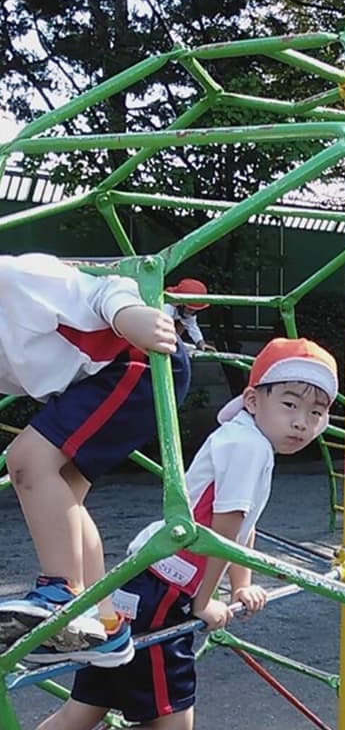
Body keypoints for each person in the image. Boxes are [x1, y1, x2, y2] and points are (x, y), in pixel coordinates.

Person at [36, 336, 338, 730]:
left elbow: (242, 524)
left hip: (143, 581)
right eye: (290, 404)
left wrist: (241, 584)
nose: (302, 422)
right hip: (164, 590)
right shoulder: (248, 447)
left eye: (316, 412)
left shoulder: (245, 437)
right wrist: (204, 601)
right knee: (172, 719)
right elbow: (225, 527)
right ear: (252, 400)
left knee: (84, 709)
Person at [0, 253, 190, 667]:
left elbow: (103, 285)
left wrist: (128, 316)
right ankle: (104, 623)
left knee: (27, 461)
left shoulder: (14, 279)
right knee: (63, 492)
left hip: (138, 360)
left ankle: (62, 594)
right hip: (95, 383)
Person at [164, 278, 216, 352]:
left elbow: (192, 325)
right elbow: (165, 330)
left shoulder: (183, 309)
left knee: (183, 323)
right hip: (153, 334)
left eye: (196, 310)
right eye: (191, 309)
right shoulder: (166, 307)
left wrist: (200, 342)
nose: (192, 312)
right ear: (179, 303)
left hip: (166, 334)